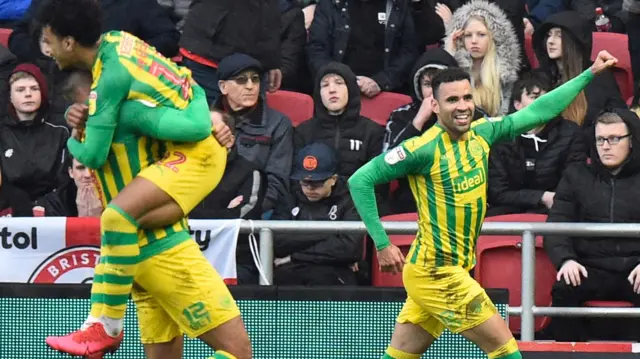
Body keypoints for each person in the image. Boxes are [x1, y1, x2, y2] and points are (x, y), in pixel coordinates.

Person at [348, 51, 617, 359]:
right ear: (434, 106)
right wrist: (382, 243)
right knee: (506, 352)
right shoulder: (421, 149)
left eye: (466, 98)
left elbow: (539, 110)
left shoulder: (483, 134)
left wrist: (590, 73)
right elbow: (360, 181)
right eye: (452, 100)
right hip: (438, 272)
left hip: (444, 269)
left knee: (400, 355)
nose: (462, 106)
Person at [35, 0, 245, 357]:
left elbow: (166, 108)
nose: (45, 48)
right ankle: (104, 326)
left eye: (48, 39)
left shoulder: (110, 96)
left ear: (70, 43)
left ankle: (102, 325)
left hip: (132, 252)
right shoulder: (118, 73)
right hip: (164, 250)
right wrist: (208, 116)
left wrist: (212, 120)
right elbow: (172, 103)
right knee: (239, 353)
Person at [544, 109, 640, 341]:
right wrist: (566, 260)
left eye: (614, 139)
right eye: (600, 139)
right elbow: (556, 224)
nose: (605, 146)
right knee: (564, 289)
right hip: (589, 267)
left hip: (635, 268)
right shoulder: (576, 175)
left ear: (632, 141)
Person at [487, 72, 587, 216]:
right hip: (507, 211)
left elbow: (574, 184)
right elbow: (497, 192)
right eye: (534, 97)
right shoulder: (501, 136)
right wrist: (540, 197)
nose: (542, 103)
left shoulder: (571, 134)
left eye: (546, 98)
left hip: (557, 211)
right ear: (517, 105)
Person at [274, 142, 362, 285]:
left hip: (333, 275)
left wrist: (294, 256)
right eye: (304, 182)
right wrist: (330, 234)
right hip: (291, 273)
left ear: (333, 180)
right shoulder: (289, 197)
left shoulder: (350, 200)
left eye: (317, 183)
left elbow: (349, 249)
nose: (310, 188)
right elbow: (278, 241)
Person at [533, 11, 626, 128]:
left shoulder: (599, 76)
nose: (550, 41)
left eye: (559, 35)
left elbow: (618, 116)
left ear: (574, 41)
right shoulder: (539, 78)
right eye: (548, 35)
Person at [444, 0, 521, 116]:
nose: (474, 41)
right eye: (468, 35)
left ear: (494, 38)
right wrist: (449, 56)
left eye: (481, 34)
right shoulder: (453, 68)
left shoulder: (506, 78)